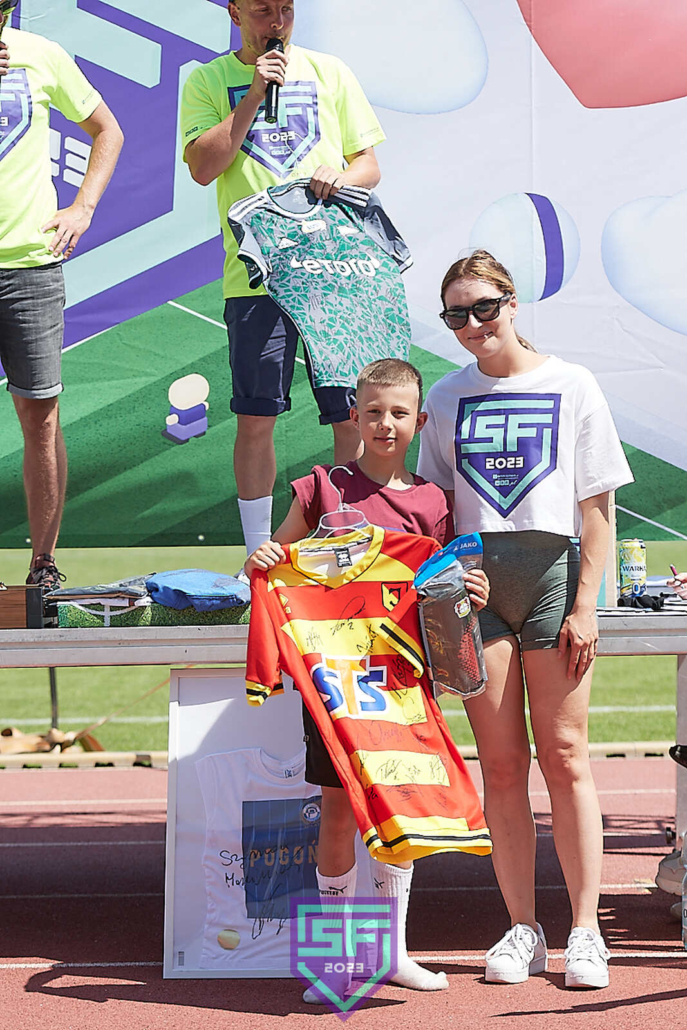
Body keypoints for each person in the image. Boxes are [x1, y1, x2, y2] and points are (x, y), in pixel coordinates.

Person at [417, 249, 634, 990]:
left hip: (552, 582)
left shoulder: (572, 383)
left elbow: (598, 511)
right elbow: (433, 510)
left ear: (512, 304)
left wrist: (585, 606)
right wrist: (449, 583)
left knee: (566, 756)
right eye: (457, 314)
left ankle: (585, 931)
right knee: (503, 765)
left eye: (485, 307)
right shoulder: (445, 395)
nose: (473, 324)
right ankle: (521, 928)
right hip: (477, 595)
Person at [245, 358, 491, 1000]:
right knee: (335, 811)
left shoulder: (435, 502)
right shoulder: (322, 488)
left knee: (397, 808)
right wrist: (263, 557)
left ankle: (391, 952)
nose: (385, 424)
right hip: (333, 683)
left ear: (420, 421)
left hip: (402, 685)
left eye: (399, 413)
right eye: (374, 411)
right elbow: (273, 563)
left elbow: (445, 590)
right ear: (352, 415)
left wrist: (471, 591)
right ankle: (332, 960)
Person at [180, 0, 386, 557]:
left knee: (349, 413)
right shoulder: (206, 80)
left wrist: (341, 175)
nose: (276, 21)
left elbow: (369, 165)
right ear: (235, 14)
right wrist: (252, 93)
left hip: (330, 272)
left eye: (286, 9)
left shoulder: (330, 71)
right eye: (262, 10)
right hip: (256, 278)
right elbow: (203, 167)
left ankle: (349, 543)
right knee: (255, 417)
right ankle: (257, 554)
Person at [0, 9, 123, 590]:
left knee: (41, 416)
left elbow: (108, 130)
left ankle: (42, 565)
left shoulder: (40, 53)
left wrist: (83, 207)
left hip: (31, 266)